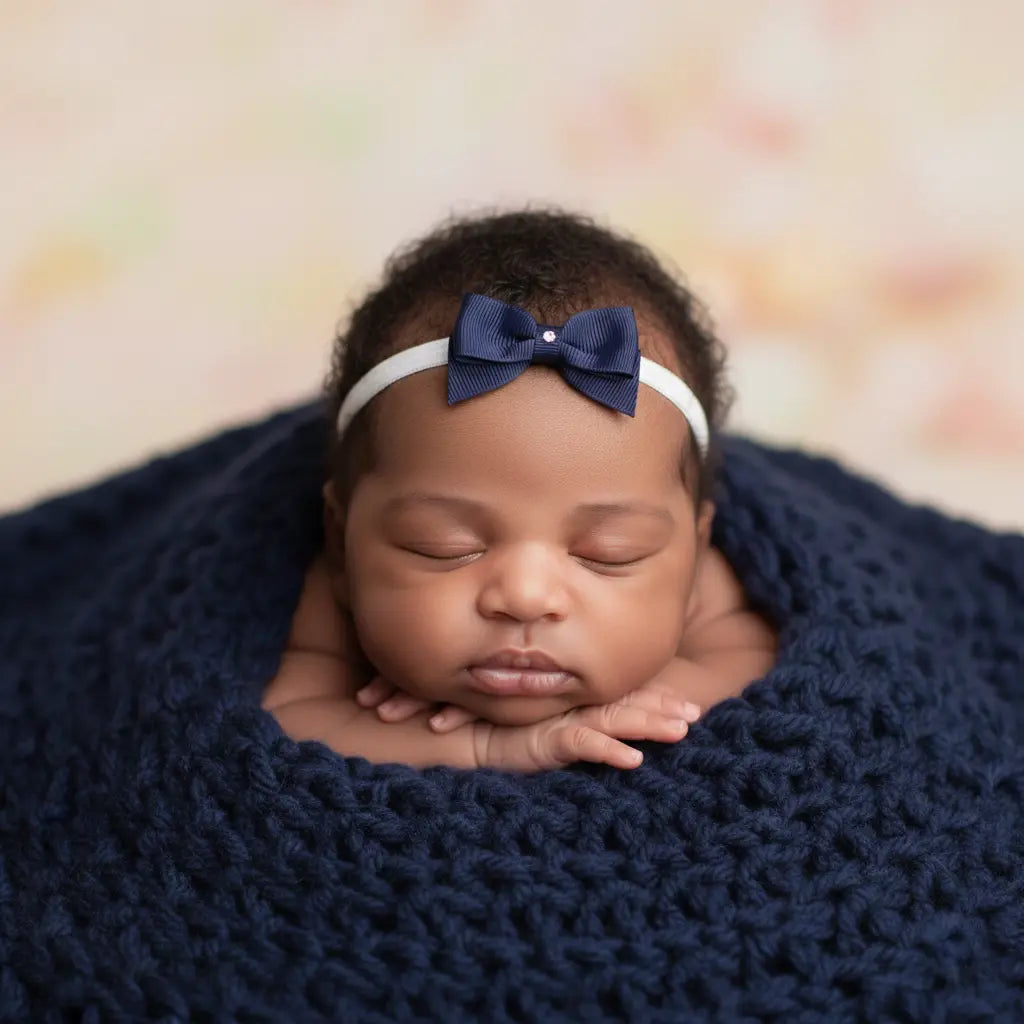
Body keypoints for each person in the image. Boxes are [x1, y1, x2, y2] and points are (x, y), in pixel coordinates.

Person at [262, 210, 777, 771]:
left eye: (610, 552)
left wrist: (656, 696)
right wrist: (486, 748)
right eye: (444, 546)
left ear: (694, 551)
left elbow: (751, 662)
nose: (526, 597)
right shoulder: (327, 596)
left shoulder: (710, 582)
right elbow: (291, 719)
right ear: (342, 541)